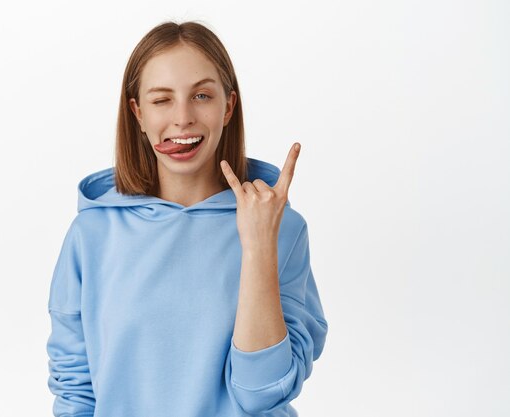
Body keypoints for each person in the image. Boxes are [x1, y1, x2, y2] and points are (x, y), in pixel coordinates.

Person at [45, 20, 328, 417]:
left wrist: (258, 247)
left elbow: (261, 393)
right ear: (137, 113)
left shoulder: (281, 230)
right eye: (162, 100)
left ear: (228, 107)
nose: (183, 118)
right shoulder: (91, 234)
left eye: (201, 95)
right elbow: (75, 393)